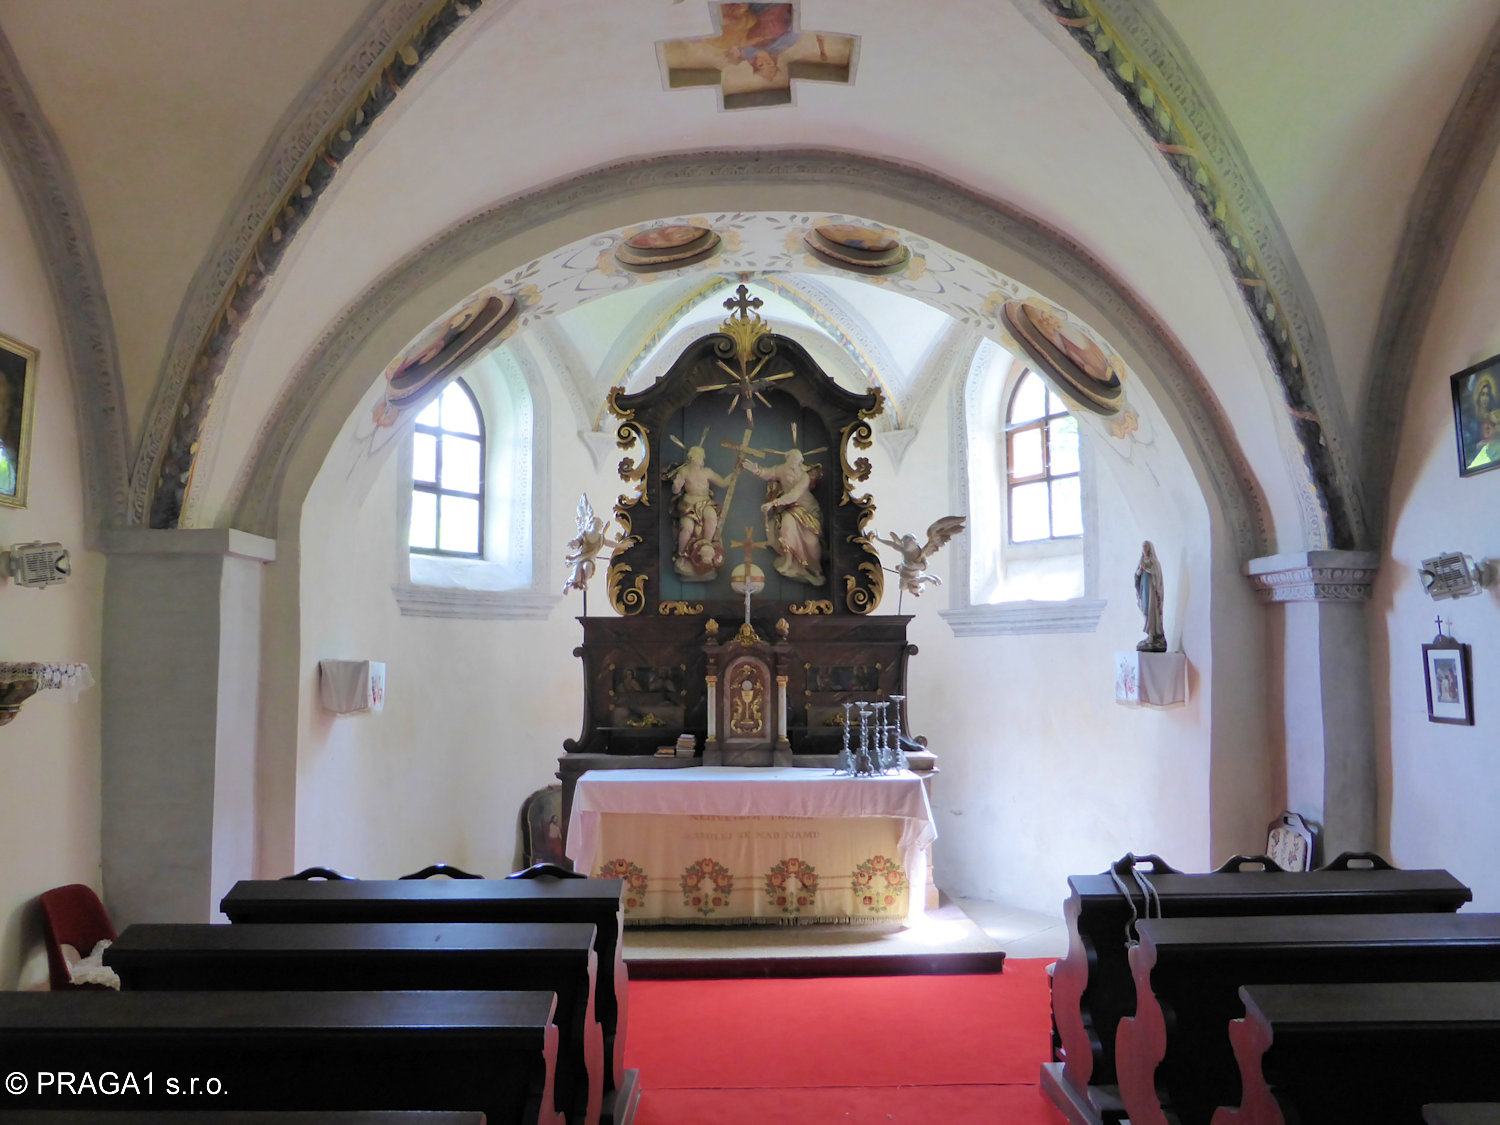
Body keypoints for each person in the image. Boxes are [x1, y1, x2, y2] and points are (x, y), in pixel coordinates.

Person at [745, 446, 825, 585]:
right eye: (792, 460)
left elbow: (795, 494)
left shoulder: (804, 476)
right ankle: (789, 561)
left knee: (811, 542)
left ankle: (815, 569)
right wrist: (756, 470)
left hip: (807, 510)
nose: (795, 463)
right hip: (791, 509)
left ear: (800, 462)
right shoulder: (781, 470)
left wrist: (773, 503)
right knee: (786, 528)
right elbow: (768, 473)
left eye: (798, 461)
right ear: (787, 458)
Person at [668, 445, 731, 579]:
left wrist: (736, 472)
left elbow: (723, 482)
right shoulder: (684, 471)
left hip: (705, 502)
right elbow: (675, 491)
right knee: (687, 528)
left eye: (701, 457)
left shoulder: (707, 472)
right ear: (691, 457)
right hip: (688, 505)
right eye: (697, 456)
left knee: (711, 517)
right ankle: (682, 555)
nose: (700, 459)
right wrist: (677, 485)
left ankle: (706, 545)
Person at [1134, 540, 1166, 652]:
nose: (1144, 548)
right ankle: (1150, 635)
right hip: (1144, 589)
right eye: (1143, 546)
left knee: (1152, 611)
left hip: (1152, 590)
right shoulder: (1141, 561)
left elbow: (1156, 574)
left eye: (1146, 546)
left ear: (1150, 548)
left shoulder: (1154, 562)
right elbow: (1137, 575)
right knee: (1145, 610)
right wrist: (1140, 570)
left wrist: (1146, 568)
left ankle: (1153, 634)